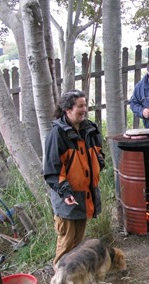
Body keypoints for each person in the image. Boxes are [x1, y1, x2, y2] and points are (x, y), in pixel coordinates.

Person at [43, 90, 106, 268]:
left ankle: (72, 281)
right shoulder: (57, 135)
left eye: (85, 105)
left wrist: (99, 162)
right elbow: (52, 170)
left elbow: (98, 153)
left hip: (85, 196)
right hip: (67, 198)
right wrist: (65, 192)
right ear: (67, 110)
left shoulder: (90, 129)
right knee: (66, 244)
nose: (84, 109)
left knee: (77, 246)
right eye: (80, 106)